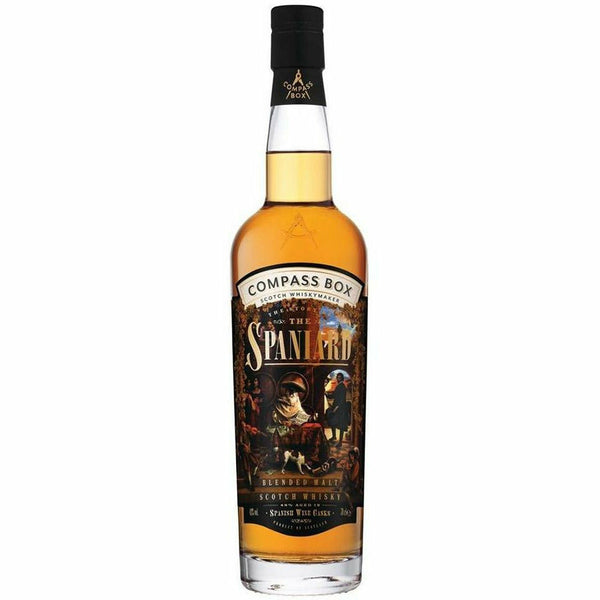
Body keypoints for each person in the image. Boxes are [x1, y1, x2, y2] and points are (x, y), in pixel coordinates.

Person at [325, 372, 351, 448]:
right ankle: (334, 436)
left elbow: (341, 400)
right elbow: (334, 395)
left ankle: (340, 442)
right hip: (336, 407)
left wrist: (336, 408)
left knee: (341, 425)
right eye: (337, 377)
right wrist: (327, 394)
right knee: (332, 420)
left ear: (342, 378)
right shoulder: (339, 386)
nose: (338, 379)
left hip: (341, 409)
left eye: (339, 377)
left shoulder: (342, 386)